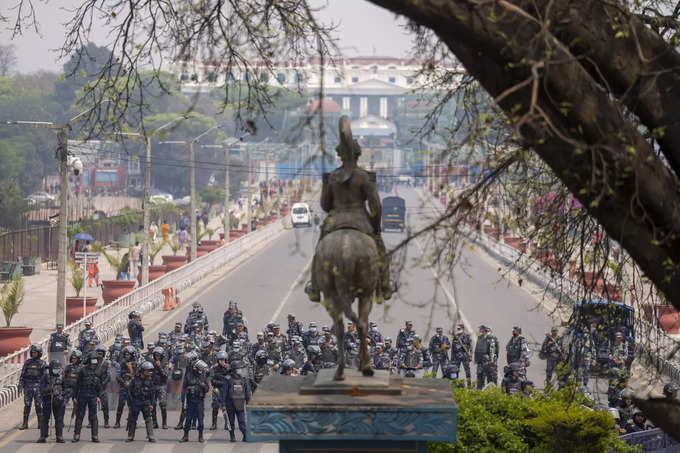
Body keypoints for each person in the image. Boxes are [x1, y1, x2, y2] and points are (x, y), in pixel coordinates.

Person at [304, 116, 392, 302]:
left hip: (334, 222)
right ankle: (385, 286)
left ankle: (314, 287)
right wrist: (376, 228)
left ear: (340, 156)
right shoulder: (365, 177)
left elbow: (325, 205)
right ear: (358, 155)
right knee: (381, 250)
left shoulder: (332, 177)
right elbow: (375, 205)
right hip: (361, 221)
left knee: (320, 250)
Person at [73, 352, 103, 443]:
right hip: (82, 394)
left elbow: (100, 385)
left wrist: (99, 396)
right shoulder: (83, 370)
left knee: (93, 416)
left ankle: (95, 435)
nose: (94, 362)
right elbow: (77, 384)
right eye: (92, 360)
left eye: (95, 360)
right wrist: (74, 397)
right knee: (80, 415)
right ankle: (77, 435)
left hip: (93, 395)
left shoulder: (99, 371)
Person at [125, 361, 156, 443]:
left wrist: (152, 404)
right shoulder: (135, 380)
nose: (150, 373)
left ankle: (151, 436)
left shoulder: (150, 381)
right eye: (148, 371)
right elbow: (129, 393)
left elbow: (152, 394)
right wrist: (129, 404)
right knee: (132, 419)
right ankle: (130, 436)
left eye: (150, 371)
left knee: (148, 419)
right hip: (136, 402)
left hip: (146, 402)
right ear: (143, 370)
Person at [37, 359, 67, 443]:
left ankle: (59, 436)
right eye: (54, 368)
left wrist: (62, 396)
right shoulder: (45, 377)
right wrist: (49, 389)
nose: (56, 370)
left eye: (58, 368)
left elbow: (66, 389)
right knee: (44, 419)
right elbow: (41, 389)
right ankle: (43, 436)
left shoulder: (61, 377)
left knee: (59, 419)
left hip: (58, 401)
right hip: (47, 400)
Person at [180, 359, 209, 442]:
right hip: (190, 400)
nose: (202, 370)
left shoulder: (203, 376)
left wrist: (204, 386)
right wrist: (183, 401)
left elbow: (207, 389)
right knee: (188, 419)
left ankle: (200, 436)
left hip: (199, 401)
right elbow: (184, 388)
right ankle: (185, 436)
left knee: (200, 419)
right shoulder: (188, 376)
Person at [223, 360, 252, 442]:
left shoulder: (244, 379)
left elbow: (247, 392)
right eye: (239, 368)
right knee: (231, 422)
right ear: (234, 369)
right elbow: (224, 392)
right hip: (230, 404)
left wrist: (248, 403)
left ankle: (245, 435)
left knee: (242, 422)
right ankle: (232, 436)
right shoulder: (228, 379)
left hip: (240, 403)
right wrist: (223, 404)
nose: (240, 370)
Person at [19, 344, 46, 430]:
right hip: (28, 387)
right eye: (33, 352)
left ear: (39, 353)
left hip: (38, 387)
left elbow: (45, 377)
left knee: (38, 405)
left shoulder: (42, 363)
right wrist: (21, 384)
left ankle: (40, 424)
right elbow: (22, 374)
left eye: (36, 353)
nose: (34, 354)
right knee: (27, 405)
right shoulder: (27, 363)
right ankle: (25, 423)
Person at [115, 346, 137, 429]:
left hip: (132, 388)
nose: (127, 356)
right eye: (126, 354)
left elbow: (137, 376)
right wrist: (124, 382)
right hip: (123, 387)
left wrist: (130, 382)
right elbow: (118, 376)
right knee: (120, 404)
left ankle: (132, 422)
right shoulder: (122, 363)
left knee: (132, 406)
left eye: (128, 354)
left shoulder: (135, 364)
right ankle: (117, 422)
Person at [210, 351, 230, 431]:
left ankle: (227, 424)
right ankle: (214, 424)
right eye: (221, 360)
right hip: (217, 388)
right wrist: (220, 382)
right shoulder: (214, 368)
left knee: (225, 406)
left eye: (224, 359)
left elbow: (231, 378)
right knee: (215, 405)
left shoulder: (229, 368)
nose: (222, 361)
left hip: (225, 389)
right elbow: (212, 380)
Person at [151, 347, 169, 429]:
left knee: (162, 404)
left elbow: (165, 375)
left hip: (162, 385)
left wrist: (159, 367)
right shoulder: (151, 364)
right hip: (153, 386)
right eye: (155, 355)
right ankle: (154, 422)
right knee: (153, 405)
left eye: (158, 355)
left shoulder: (165, 364)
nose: (157, 357)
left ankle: (164, 423)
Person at [94, 344, 112, 428]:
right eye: (98, 353)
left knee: (105, 405)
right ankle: (92, 422)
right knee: (92, 406)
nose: (99, 354)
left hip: (103, 387)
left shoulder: (107, 363)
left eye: (101, 353)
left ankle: (106, 421)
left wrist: (102, 384)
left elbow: (109, 376)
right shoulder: (93, 362)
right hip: (94, 387)